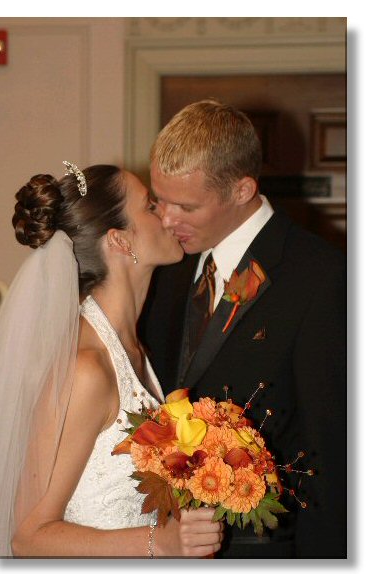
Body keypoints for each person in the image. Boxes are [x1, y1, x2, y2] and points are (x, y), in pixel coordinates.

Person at [139, 99, 346, 558]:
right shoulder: (166, 262)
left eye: (185, 205)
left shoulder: (321, 276)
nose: (166, 219)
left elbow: (332, 449)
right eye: (159, 200)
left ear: (242, 190)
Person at [0, 161, 223, 558]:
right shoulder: (87, 369)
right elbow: (28, 537)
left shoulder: (133, 349)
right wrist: (159, 543)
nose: (167, 215)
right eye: (150, 206)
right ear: (120, 241)